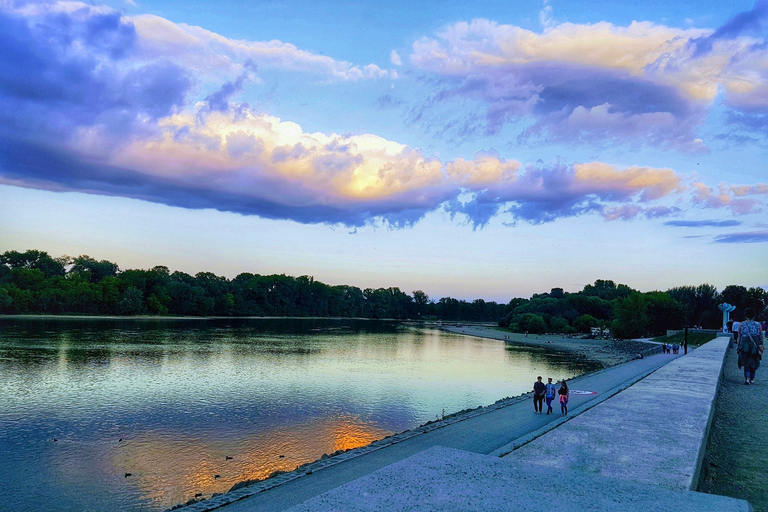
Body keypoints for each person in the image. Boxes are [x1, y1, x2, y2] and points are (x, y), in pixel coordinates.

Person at [737, 308, 765, 385]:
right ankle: (752, 378)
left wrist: (738, 345)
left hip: (745, 344)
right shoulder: (758, 324)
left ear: (745, 315)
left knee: (746, 361)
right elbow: (760, 336)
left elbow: (739, 336)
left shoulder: (741, 324)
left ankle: (747, 378)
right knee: (754, 361)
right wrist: (761, 345)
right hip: (755, 344)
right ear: (754, 315)